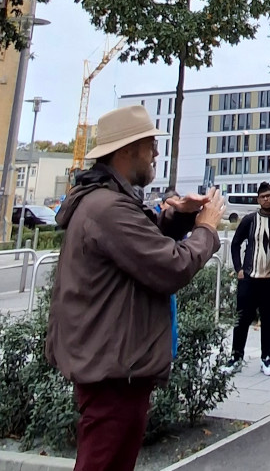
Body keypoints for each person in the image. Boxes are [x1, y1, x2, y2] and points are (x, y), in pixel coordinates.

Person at [46, 105, 224, 471]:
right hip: (113, 370)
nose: (156, 153)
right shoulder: (108, 208)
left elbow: (143, 245)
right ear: (127, 150)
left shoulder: (106, 201)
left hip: (113, 363)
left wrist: (182, 217)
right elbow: (172, 265)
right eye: (150, 145)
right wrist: (205, 228)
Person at [225, 181, 270, 377]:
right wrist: (239, 268)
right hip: (250, 278)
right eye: (262, 197)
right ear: (258, 200)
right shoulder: (250, 220)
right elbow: (235, 244)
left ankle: (266, 358)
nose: (266, 199)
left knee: (268, 320)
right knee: (242, 320)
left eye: (269, 195)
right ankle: (236, 357)